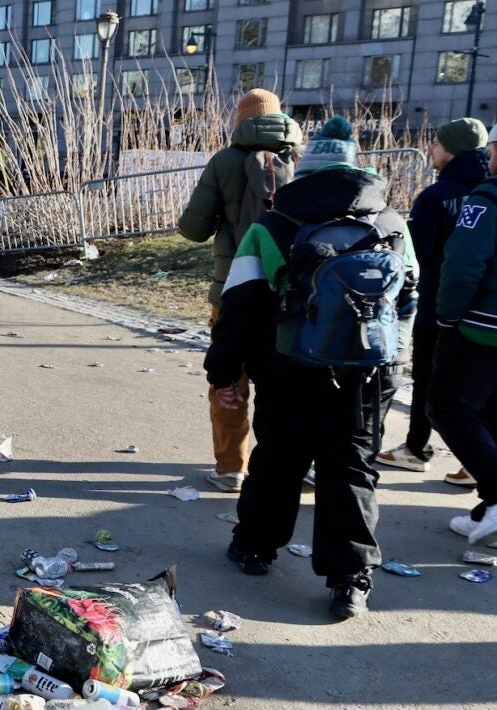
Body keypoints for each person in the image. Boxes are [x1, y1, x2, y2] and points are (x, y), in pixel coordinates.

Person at [204, 116, 414, 619]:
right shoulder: (391, 224)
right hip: (366, 368)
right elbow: (407, 300)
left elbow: (240, 308)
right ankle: (350, 579)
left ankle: (254, 547)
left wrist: (223, 373)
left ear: (302, 170)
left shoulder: (273, 226)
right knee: (352, 466)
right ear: (359, 169)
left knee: (278, 456)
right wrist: (393, 364)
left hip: (288, 362)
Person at [178, 89, 304, 494]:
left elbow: (193, 229)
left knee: (229, 381)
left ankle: (232, 467)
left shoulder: (225, 162)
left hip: (234, 289)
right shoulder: (305, 161)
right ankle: (291, 464)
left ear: (240, 120)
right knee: (289, 384)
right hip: (292, 293)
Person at [428, 113, 497, 548]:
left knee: (447, 407)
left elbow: (464, 262)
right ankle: (495, 517)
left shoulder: (495, 192)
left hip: (490, 325)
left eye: (492, 149)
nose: (488, 157)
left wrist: (448, 317)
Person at [376, 118, 489, 483]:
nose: (430, 150)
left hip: (437, 306)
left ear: (451, 149)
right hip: (484, 309)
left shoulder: (436, 197)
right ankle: (477, 461)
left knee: (428, 381)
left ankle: (416, 449)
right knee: (475, 386)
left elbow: (415, 257)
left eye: (437, 144)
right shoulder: (496, 192)